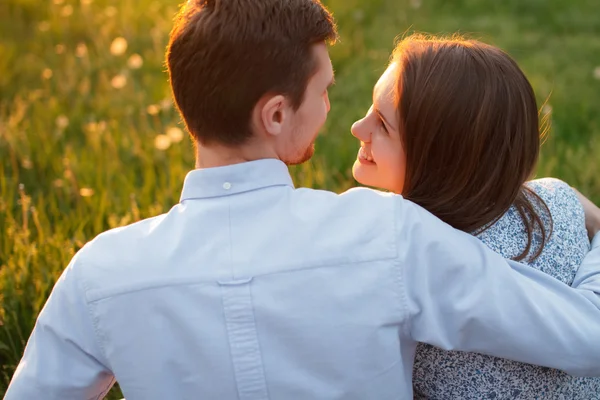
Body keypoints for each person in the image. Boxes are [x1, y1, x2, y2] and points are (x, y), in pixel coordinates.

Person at [5, 1, 600, 399]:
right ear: (276, 113)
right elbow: (586, 338)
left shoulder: (99, 273)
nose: (336, 118)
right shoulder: (386, 232)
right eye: (325, 92)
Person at [350, 34, 600, 399]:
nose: (358, 128)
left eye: (383, 126)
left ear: (441, 160)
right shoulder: (558, 200)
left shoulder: (399, 258)